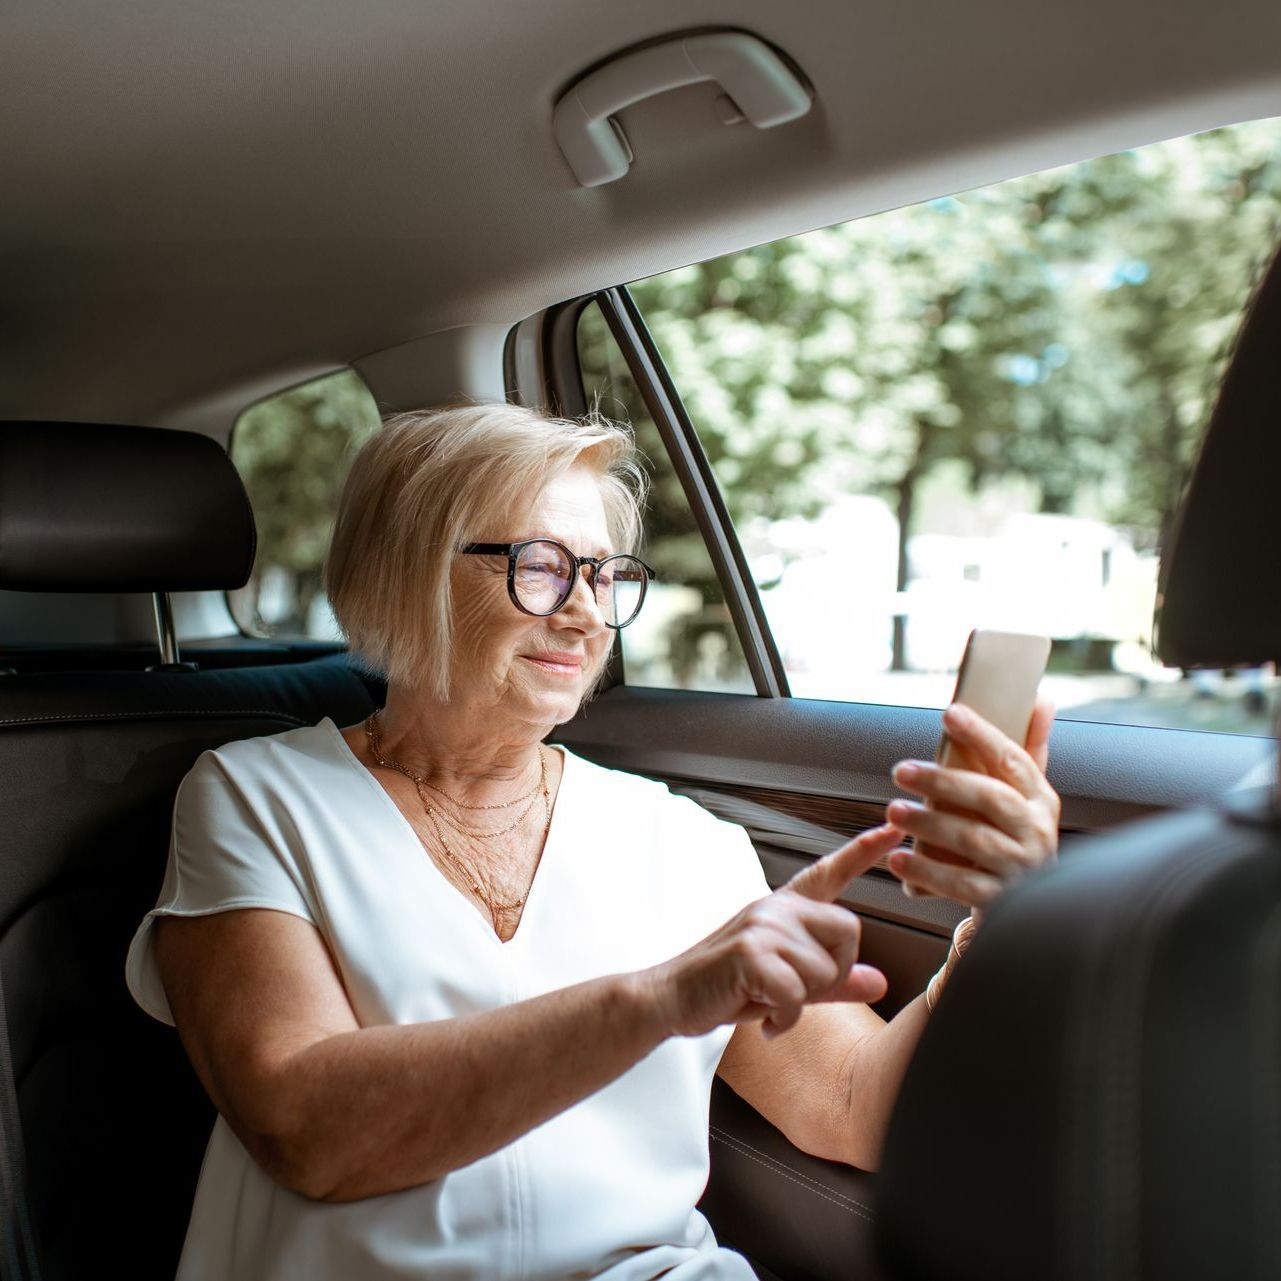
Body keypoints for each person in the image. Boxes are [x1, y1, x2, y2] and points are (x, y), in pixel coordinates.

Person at [124, 403, 1060, 1281]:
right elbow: (304, 1129)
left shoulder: (679, 838)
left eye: (606, 575)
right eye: (540, 565)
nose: (582, 611)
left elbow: (855, 1109)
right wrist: (661, 998)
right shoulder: (253, 795)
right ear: (403, 571)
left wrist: (1008, 920)